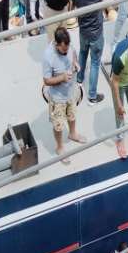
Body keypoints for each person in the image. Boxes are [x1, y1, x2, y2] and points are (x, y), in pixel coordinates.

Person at [42, 27, 86, 163]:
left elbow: (73, 58)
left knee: (72, 116)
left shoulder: (69, 46)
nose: (66, 51)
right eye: (63, 50)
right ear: (57, 44)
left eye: (67, 49)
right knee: (58, 125)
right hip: (57, 98)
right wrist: (61, 78)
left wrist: (76, 64)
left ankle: (73, 134)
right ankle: (60, 147)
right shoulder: (48, 56)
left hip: (70, 92)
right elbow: (46, 81)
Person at [70, 0, 110, 105]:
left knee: (82, 53)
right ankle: (92, 97)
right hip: (96, 32)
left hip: (83, 29)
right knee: (94, 63)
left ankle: (79, 80)